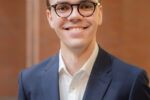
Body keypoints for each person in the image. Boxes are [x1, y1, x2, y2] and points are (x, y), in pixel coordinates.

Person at [18, 0, 150, 100]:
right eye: (63, 7)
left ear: (99, 14)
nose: (75, 16)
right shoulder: (29, 82)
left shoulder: (132, 81)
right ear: (50, 17)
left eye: (85, 6)